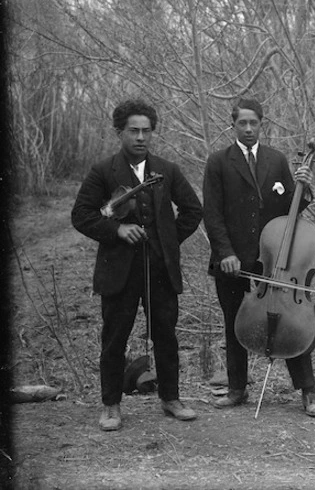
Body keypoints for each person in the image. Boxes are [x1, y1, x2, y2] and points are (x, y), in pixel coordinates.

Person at [71, 99, 203, 431]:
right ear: (120, 133)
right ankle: (111, 405)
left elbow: (192, 210)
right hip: (119, 272)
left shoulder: (167, 169)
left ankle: (171, 398)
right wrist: (117, 229)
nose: (141, 137)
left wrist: (167, 243)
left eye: (146, 131)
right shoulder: (103, 171)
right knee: (114, 338)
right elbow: (81, 216)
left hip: (160, 271)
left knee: (166, 336)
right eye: (133, 131)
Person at [202, 98, 315, 417]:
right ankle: (237, 388)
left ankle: (308, 391)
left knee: (292, 319)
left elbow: (291, 212)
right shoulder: (218, 162)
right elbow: (212, 215)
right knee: (235, 323)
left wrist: (305, 189)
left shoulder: (276, 159)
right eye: (241, 123)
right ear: (233, 125)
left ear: (261, 124)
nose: (247, 129)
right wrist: (225, 253)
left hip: (275, 258)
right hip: (234, 260)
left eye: (253, 123)